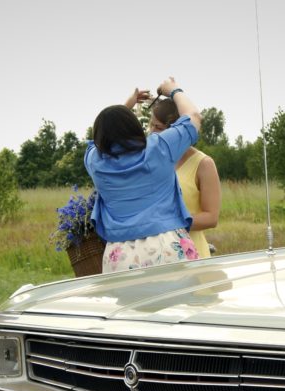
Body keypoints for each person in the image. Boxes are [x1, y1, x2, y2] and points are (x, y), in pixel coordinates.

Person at [86, 78, 202, 272]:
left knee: (131, 304)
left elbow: (97, 141)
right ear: (134, 125)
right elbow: (194, 117)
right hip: (168, 246)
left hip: (119, 255)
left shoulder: (94, 161)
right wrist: (173, 90)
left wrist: (126, 106)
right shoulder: (160, 147)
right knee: (179, 302)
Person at [127, 93, 221, 258]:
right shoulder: (147, 158)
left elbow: (211, 217)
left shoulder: (204, 164)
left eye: (158, 127)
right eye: (151, 125)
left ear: (177, 131)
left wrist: (167, 223)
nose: (152, 132)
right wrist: (128, 104)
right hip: (151, 257)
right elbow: (107, 139)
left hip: (192, 256)